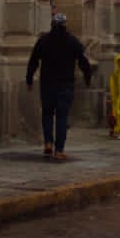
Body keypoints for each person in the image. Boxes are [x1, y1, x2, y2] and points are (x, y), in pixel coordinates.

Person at [25, 13, 94, 161]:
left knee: (47, 114)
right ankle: (59, 150)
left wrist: (29, 79)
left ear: (52, 25)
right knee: (62, 117)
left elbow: (33, 60)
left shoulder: (43, 40)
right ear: (65, 25)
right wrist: (88, 78)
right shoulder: (72, 41)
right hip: (65, 84)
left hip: (47, 84)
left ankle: (48, 143)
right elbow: (84, 61)